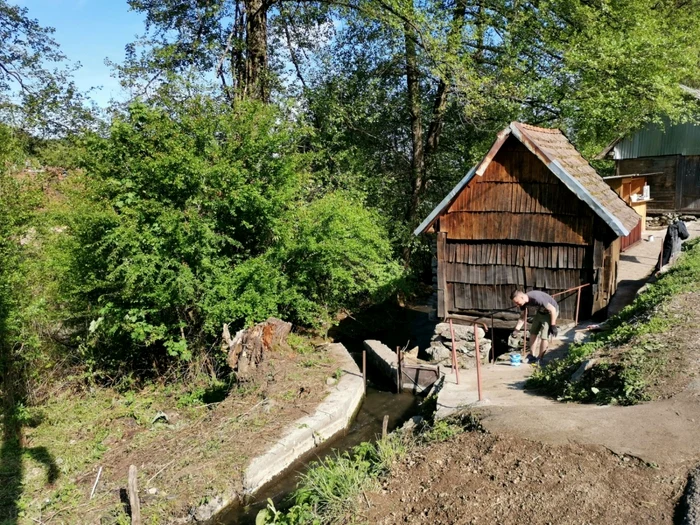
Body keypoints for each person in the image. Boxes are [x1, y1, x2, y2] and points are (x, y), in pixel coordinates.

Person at [510, 289, 559, 366]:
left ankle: (540, 358)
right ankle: (531, 355)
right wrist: (516, 329)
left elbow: (553, 309)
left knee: (544, 336)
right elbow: (523, 317)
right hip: (540, 312)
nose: (517, 304)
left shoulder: (536, 298)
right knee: (533, 332)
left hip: (550, 313)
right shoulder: (522, 303)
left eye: (517, 302)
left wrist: (553, 325)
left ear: (522, 297)